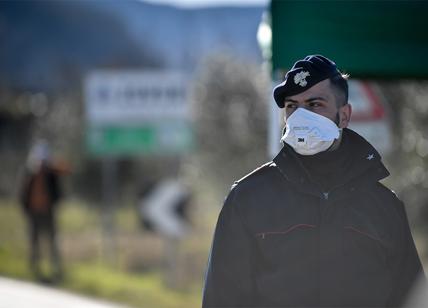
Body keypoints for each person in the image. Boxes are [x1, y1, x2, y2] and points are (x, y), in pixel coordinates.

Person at [202, 55, 425, 307]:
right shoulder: (247, 198)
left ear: (344, 115)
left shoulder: (385, 207)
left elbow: (412, 299)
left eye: (314, 104)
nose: (300, 117)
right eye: (291, 106)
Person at [19, 140, 68, 282]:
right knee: (34, 241)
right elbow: (23, 194)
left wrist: (52, 166)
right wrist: (25, 209)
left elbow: (67, 170)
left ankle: (56, 268)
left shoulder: (51, 174)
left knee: (52, 241)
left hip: (48, 212)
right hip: (33, 213)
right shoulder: (29, 173)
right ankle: (34, 269)